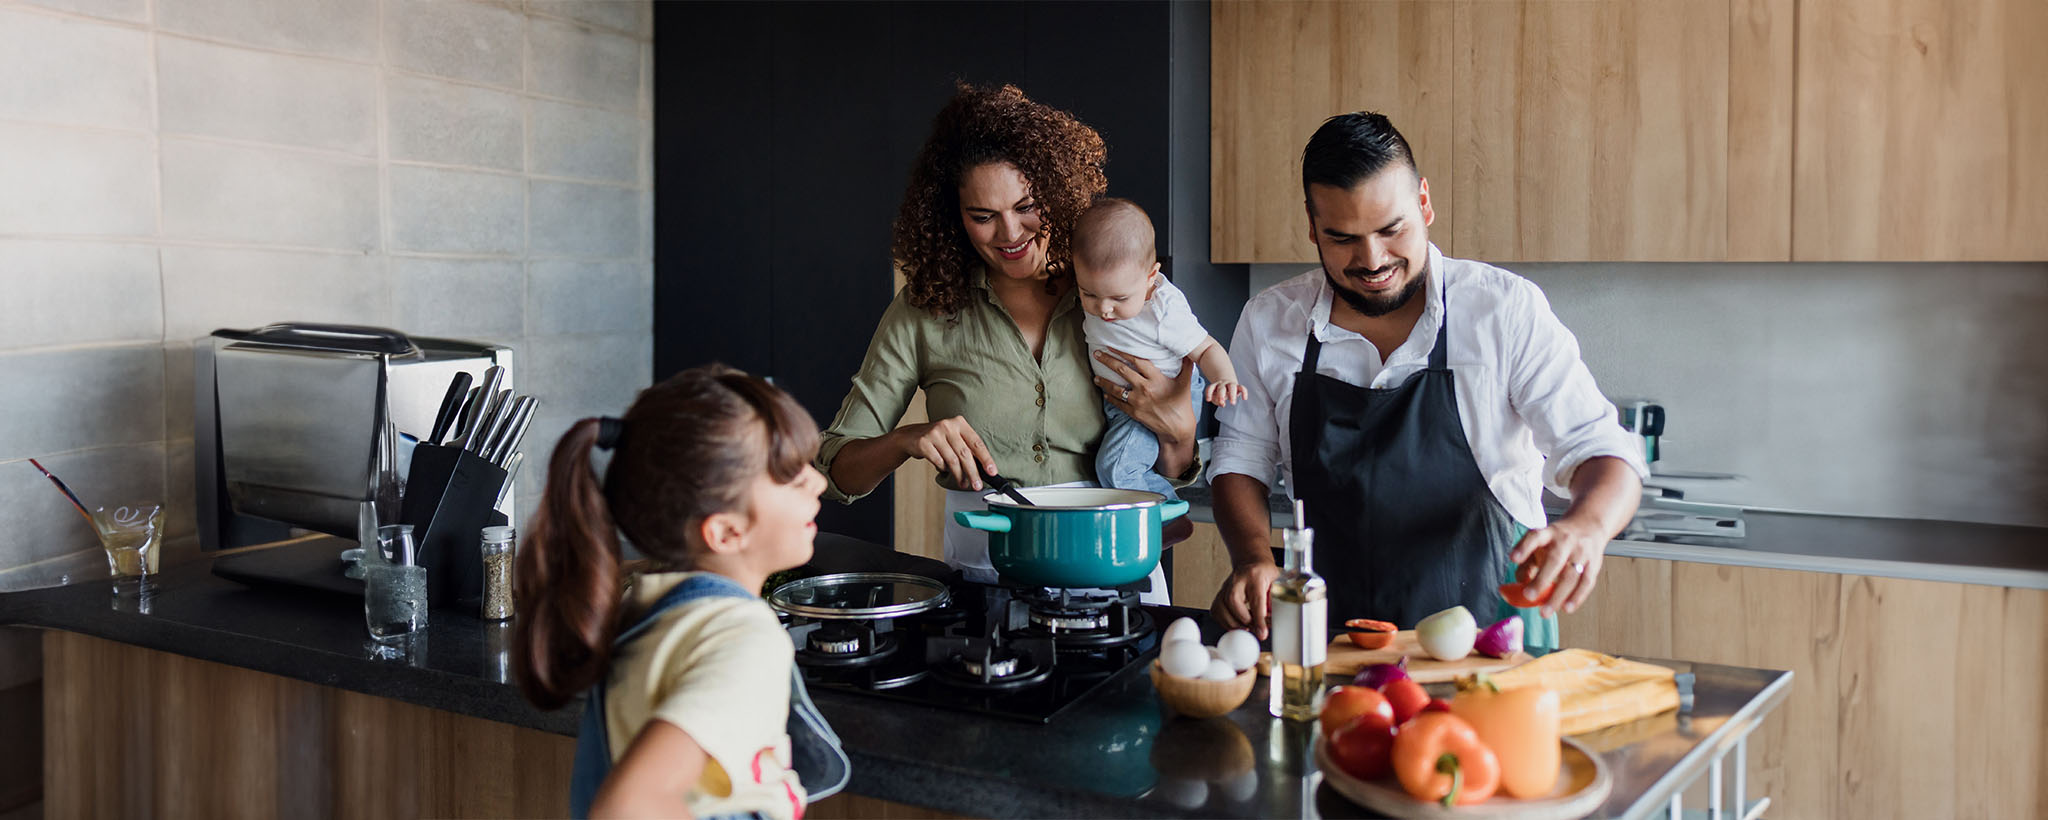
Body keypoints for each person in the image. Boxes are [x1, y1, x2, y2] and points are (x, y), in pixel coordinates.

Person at [1206, 112, 1647, 651]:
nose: (1371, 260)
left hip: (1491, 640)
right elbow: (1240, 457)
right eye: (1341, 238)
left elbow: (1602, 449)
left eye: (1392, 230)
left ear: (1424, 203)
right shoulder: (1269, 321)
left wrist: (1587, 528)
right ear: (1311, 224)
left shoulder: (1501, 309)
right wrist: (1252, 558)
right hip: (1333, 641)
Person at [814, 83, 1199, 601]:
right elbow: (839, 469)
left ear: (1059, 194)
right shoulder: (925, 309)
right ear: (953, 217)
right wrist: (908, 439)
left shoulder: (1118, 295)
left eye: (1027, 206)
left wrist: (1178, 436)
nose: (1010, 233)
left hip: (1114, 558)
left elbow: (1168, 466)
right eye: (983, 216)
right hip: (985, 574)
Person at [513, 365, 846, 820]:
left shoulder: (651, 614)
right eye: (790, 475)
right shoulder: (742, 637)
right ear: (726, 532)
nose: (819, 483)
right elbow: (626, 808)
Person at [1072, 198, 1246, 499]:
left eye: (1119, 299)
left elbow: (1206, 348)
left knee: (1115, 468)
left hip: (1167, 396)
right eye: (1089, 294)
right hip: (1122, 402)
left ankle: (1166, 509)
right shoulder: (1103, 286)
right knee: (1127, 467)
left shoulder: (1164, 311)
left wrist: (1224, 379)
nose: (1104, 309)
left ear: (1151, 276)